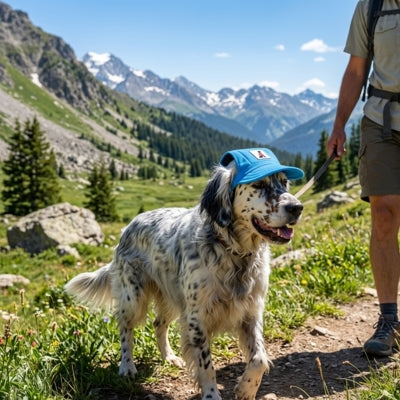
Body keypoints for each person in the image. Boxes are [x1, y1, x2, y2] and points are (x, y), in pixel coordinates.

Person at [327, 0, 400, 357]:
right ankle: (389, 321)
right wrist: (339, 125)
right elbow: (356, 69)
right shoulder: (371, 6)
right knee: (384, 217)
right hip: (381, 122)